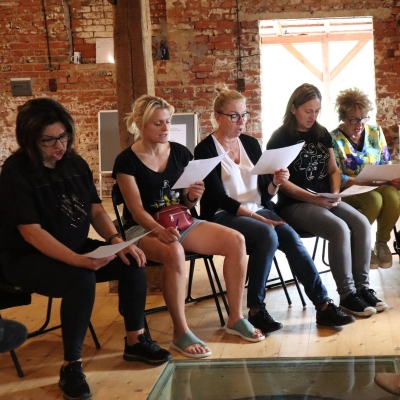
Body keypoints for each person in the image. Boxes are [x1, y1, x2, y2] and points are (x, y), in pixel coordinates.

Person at [0, 98, 172, 400]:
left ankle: (135, 341)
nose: (59, 146)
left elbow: (95, 210)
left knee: (132, 259)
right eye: (49, 140)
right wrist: (77, 260)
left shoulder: (75, 164)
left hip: (75, 246)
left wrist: (115, 240)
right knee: (80, 279)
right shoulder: (17, 172)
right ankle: (72, 366)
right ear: (30, 139)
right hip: (26, 257)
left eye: (64, 136)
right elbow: (31, 232)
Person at [112, 94, 265, 359]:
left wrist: (193, 196)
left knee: (236, 240)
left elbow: (185, 201)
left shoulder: (180, 152)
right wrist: (159, 231)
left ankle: (236, 318)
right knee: (174, 251)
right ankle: (180, 331)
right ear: (140, 124)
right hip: (143, 228)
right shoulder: (127, 161)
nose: (165, 128)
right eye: (158, 123)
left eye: (167, 122)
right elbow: (136, 212)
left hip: (180, 220)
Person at [194, 84, 355, 331]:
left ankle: (323, 305)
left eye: (244, 115)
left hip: (258, 209)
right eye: (234, 116)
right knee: (267, 234)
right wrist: (257, 217)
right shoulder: (205, 149)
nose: (241, 122)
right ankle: (256, 309)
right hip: (223, 215)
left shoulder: (250, 144)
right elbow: (218, 198)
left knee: (290, 237)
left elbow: (265, 192)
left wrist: (276, 183)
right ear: (217, 116)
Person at [267, 83, 388, 318]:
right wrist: (314, 199)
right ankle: (347, 295)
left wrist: (334, 194)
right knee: (338, 228)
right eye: (308, 111)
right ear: (293, 108)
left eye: (317, 111)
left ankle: (363, 289)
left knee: (362, 223)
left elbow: (333, 170)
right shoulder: (279, 138)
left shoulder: (320, 133)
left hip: (326, 199)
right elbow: (282, 182)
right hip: (295, 205)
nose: (313, 116)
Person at [331, 87, 400, 269]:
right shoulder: (334, 139)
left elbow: (385, 163)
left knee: (394, 196)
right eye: (353, 119)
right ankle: (361, 243)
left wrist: (392, 178)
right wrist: (363, 181)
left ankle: (382, 242)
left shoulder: (375, 132)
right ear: (343, 117)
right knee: (374, 199)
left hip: (378, 183)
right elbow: (336, 175)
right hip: (351, 189)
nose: (359, 124)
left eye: (363, 118)